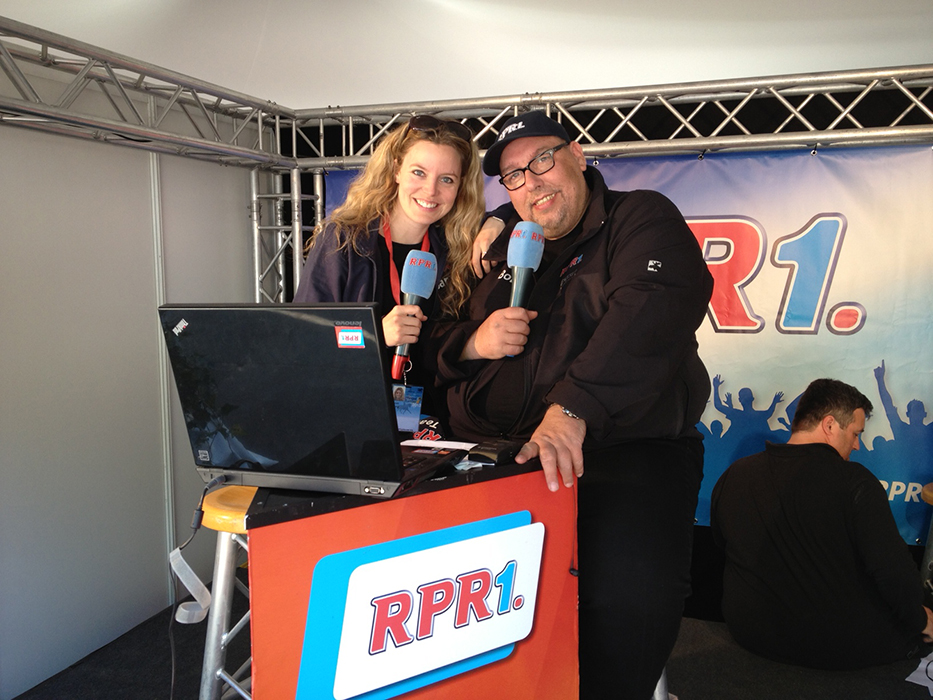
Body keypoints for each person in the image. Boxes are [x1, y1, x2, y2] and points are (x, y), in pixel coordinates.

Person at [434, 110, 713, 699]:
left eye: (542, 160)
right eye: (513, 176)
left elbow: (652, 307)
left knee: (626, 595)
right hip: (495, 451)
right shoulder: (503, 245)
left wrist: (573, 408)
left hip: (622, 447)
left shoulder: (640, 218)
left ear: (579, 155)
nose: (531, 182)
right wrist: (473, 340)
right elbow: (441, 336)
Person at [711, 378, 933, 669]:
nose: (857, 445)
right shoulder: (856, 483)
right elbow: (893, 573)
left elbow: (723, 545)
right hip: (830, 646)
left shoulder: (735, 473)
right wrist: (921, 619)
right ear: (829, 425)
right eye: (855, 434)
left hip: (747, 631)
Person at [294, 116, 485, 424]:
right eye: (419, 172)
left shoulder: (456, 248)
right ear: (396, 170)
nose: (431, 190)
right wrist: (372, 334)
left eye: (447, 179)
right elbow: (304, 339)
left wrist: (496, 221)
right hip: (352, 417)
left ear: (460, 186)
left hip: (427, 421)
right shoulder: (343, 239)